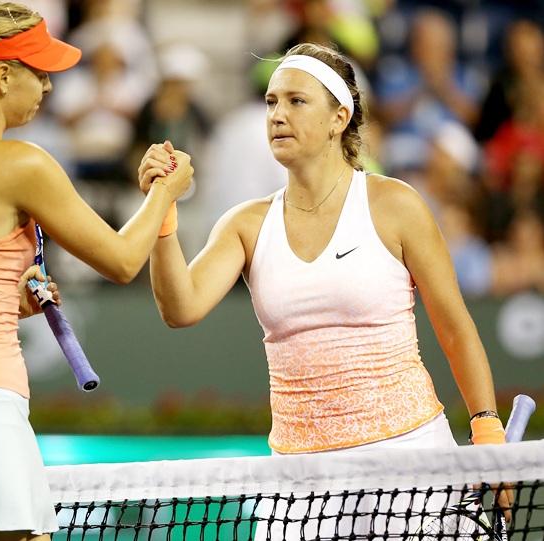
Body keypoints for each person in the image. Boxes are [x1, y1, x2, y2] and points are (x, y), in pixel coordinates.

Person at [138, 43, 510, 540]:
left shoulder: (394, 204)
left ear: (339, 118)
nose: (277, 115)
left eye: (296, 101)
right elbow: (179, 308)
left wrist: (487, 429)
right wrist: (162, 215)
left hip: (408, 461)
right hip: (298, 481)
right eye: (271, 102)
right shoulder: (246, 224)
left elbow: (455, 328)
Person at [0, 1, 192, 540]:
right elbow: (121, 260)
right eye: (38, 71)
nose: (48, 87)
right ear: (1, 76)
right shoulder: (21, 164)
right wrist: (166, 193)